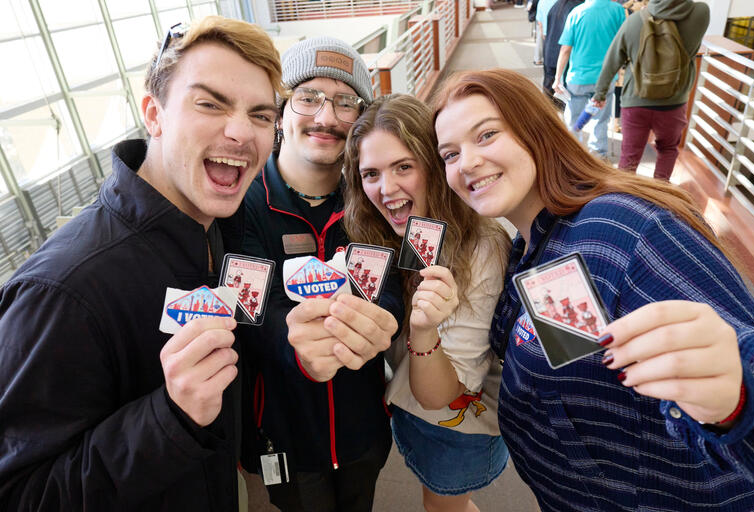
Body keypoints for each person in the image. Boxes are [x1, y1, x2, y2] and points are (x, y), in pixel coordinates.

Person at [432, 68, 754, 511]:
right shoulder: (530, 245)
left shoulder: (625, 227)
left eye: (487, 135)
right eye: (450, 154)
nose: (467, 162)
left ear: (536, 131)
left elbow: (751, 366)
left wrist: (735, 399)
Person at [0, 16, 283, 510]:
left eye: (261, 115)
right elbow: (21, 494)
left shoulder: (214, 227)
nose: (241, 131)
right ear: (154, 114)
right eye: (209, 103)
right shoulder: (60, 289)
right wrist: (170, 418)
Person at [224, 36, 402, 512]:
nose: (326, 117)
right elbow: (249, 317)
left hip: (364, 426)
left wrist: (381, 321)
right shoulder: (244, 205)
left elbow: (389, 292)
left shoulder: (372, 201)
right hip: (283, 431)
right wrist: (300, 347)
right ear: (282, 112)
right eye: (308, 97)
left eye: (346, 102)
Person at [343, 94, 511, 512]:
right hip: (406, 411)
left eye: (404, 166)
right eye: (370, 174)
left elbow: (440, 396)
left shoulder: (483, 246)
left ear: (434, 165)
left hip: (457, 431)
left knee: (443, 509)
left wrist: (423, 327)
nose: (387, 189)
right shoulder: (382, 234)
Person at [592, 0, 710, 180]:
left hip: (635, 101)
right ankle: (658, 196)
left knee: (629, 157)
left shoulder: (634, 21)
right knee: (668, 150)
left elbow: (611, 61)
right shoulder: (700, 13)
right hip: (674, 102)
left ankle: (625, 199)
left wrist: (600, 94)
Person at [553, 0, 625, 157]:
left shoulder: (576, 13)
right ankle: (598, 155)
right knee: (600, 119)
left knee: (573, 120)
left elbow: (565, 49)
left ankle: (574, 156)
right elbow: (623, 42)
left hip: (578, 77)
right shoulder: (618, 11)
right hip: (606, 77)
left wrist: (557, 77)